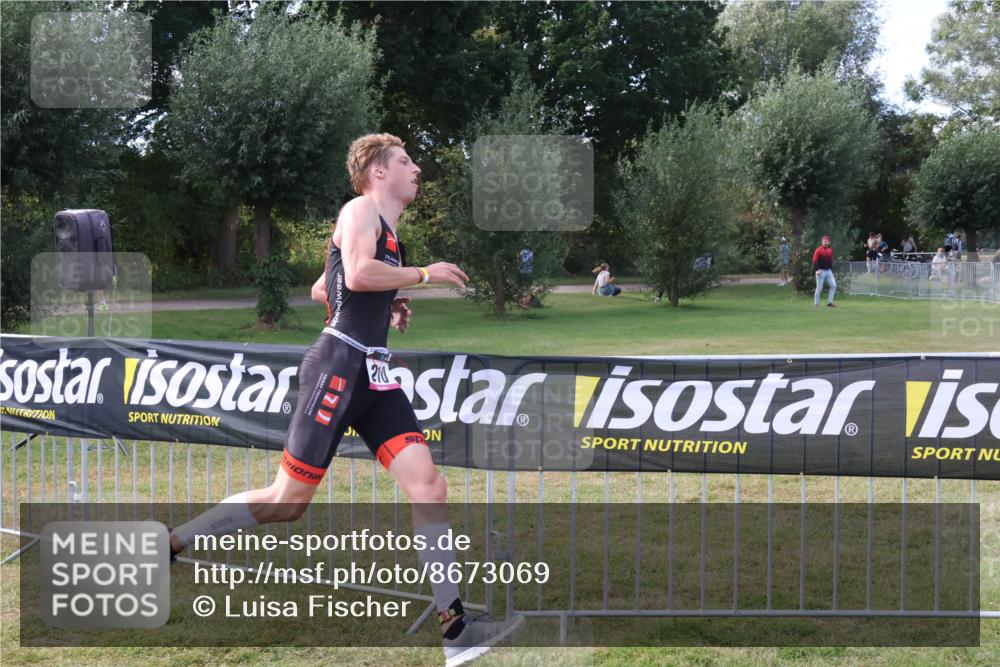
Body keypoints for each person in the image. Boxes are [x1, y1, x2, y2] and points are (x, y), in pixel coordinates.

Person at [169, 133, 521, 666]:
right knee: (288, 503)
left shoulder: (389, 233)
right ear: (378, 173)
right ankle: (172, 543)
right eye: (405, 161)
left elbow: (325, 287)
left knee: (429, 484)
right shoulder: (360, 209)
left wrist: (392, 296)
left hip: (373, 376)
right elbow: (353, 274)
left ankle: (455, 628)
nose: (417, 168)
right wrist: (423, 277)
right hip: (337, 368)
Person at [812, 235, 836, 307]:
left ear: (829, 242)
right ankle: (816, 303)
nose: (825, 243)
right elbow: (815, 261)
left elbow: (830, 261)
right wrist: (817, 270)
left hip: (828, 271)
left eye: (826, 241)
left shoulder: (830, 250)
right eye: (824, 241)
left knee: (833, 286)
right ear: (822, 242)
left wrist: (831, 269)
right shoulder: (818, 250)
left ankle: (830, 302)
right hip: (820, 271)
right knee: (819, 287)